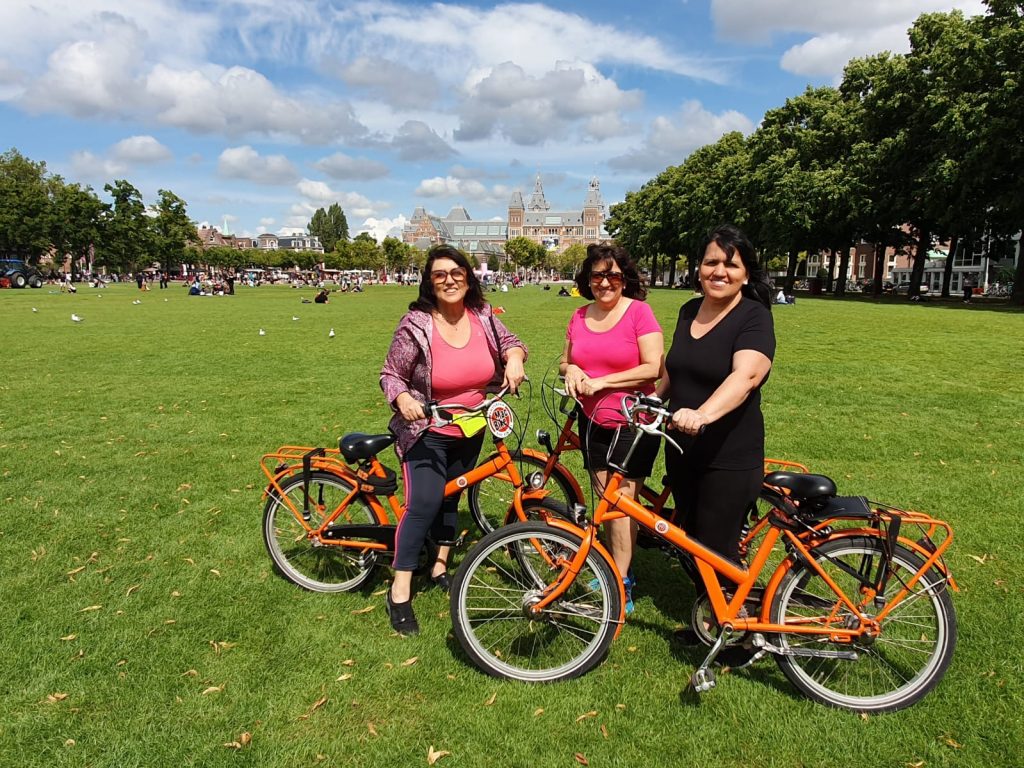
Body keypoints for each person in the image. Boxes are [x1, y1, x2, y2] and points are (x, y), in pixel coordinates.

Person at [380, 245, 527, 636]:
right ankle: (399, 590)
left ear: (468, 276)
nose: (449, 280)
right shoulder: (416, 323)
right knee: (424, 502)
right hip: (428, 429)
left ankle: (440, 563)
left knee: (453, 494)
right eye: (440, 274)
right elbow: (391, 374)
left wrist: (514, 358)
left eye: (456, 272)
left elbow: (512, 341)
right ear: (430, 282)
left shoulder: (482, 315)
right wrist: (405, 398)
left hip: (473, 426)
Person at [655, 224, 775, 637]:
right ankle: (717, 616)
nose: (719, 271)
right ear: (699, 268)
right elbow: (674, 369)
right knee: (688, 540)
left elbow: (746, 376)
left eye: (730, 264)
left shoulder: (753, 316)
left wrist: (702, 414)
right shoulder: (689, 309)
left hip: (728, 452)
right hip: (682, 447)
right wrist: (651, 399)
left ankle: (741, 630)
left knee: (716, 547)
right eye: (711, 262)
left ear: (745, 272)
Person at [560, 244, 663, 614]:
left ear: (625, 279)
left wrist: (603, 383)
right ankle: (619, 569)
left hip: (633, 420)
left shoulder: (639, 312)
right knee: (605, 498)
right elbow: (566, 359)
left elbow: (653, 368)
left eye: (614, 275)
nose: (606, 283)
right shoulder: (580, 314)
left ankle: (619, 583)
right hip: (592, 418)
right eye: (598, 276)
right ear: (588, 280)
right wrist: (570, 369)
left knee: (620, 505)